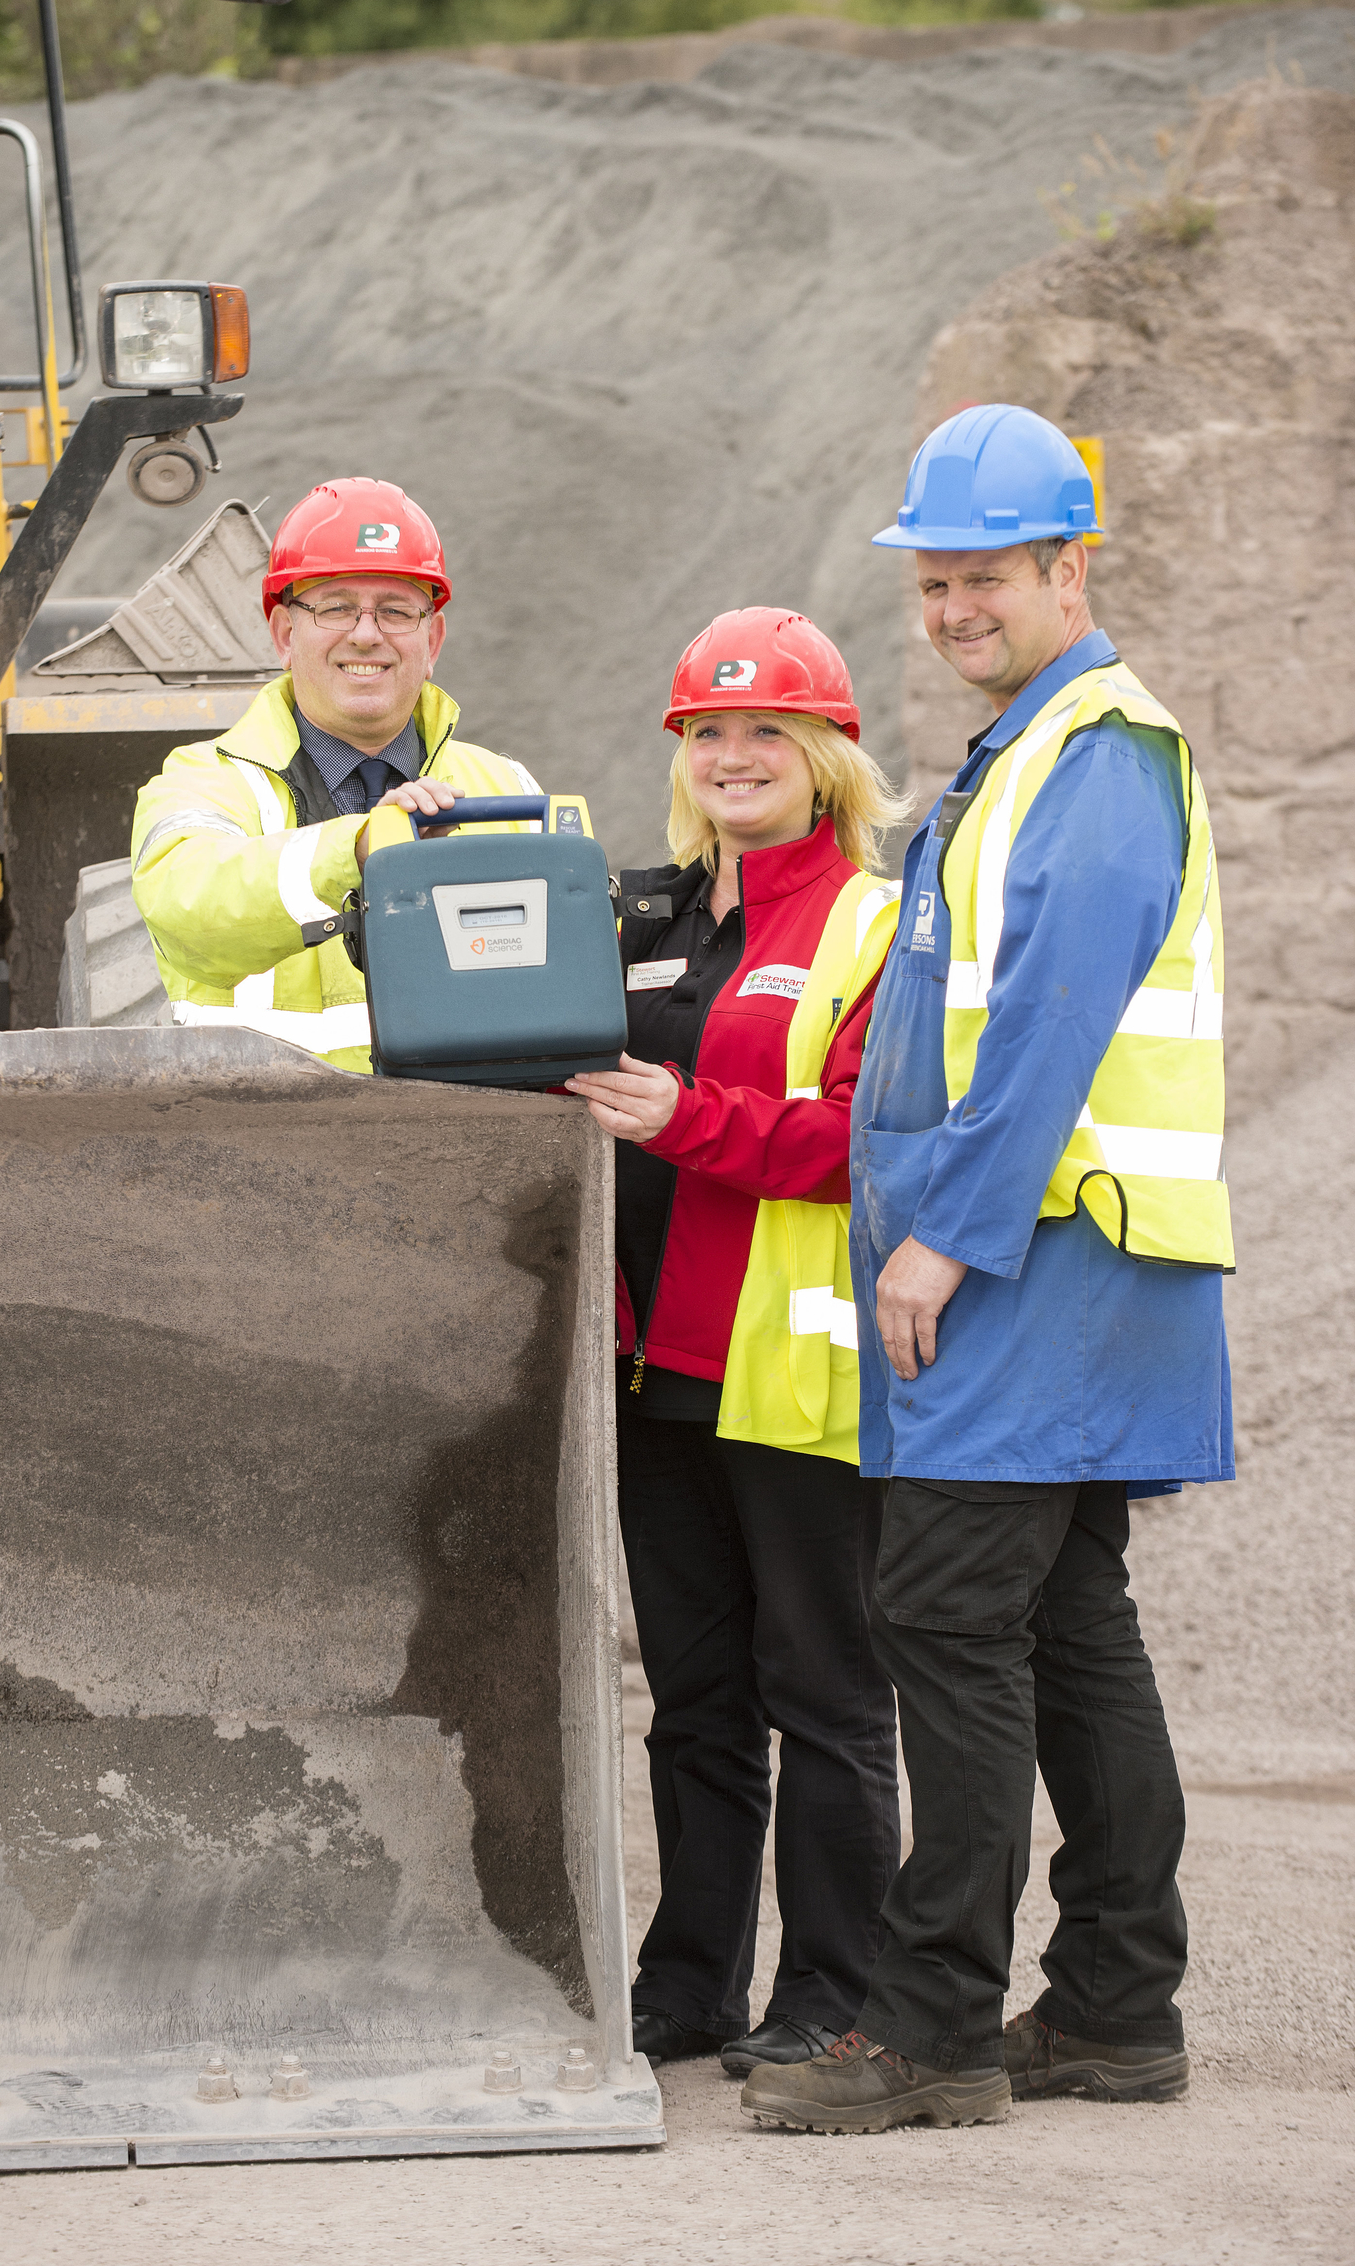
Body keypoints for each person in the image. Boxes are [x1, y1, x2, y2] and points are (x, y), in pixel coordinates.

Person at [743, 404, 1233, 2138]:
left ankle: (933, 2024)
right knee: (1063, 1622)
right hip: (1084, 1259)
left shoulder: (1094, 753)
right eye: (934, 581)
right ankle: (1111, 2004)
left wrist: (945, 1234)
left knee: (942, 1615)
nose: (952, 607)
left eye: (983, 578)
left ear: (1064, 569)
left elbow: (1044, 1023)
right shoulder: (1036, 744)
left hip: (1047, 1258)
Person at [567, 610, 908, 2079]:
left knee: (825, 1698)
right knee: (695, 1706)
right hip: (652, 1376)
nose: (732, 753)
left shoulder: (872, 923)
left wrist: (687, 1121)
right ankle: (690, 1982)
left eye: (767, 728)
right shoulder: (648, 924)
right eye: (706, 730)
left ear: (827, 754)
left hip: (794, 1372)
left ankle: (837, 1992)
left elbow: (873, 1141)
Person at [132, 477, 541, 1066]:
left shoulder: (511, 787)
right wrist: (360, 844)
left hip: (467, 1142)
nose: (367, 634)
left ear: (434, 640)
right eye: (335, 607)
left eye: (396, 611)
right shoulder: (204, 781)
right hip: (263, 1143)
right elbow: (188, 911)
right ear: (283, 634)